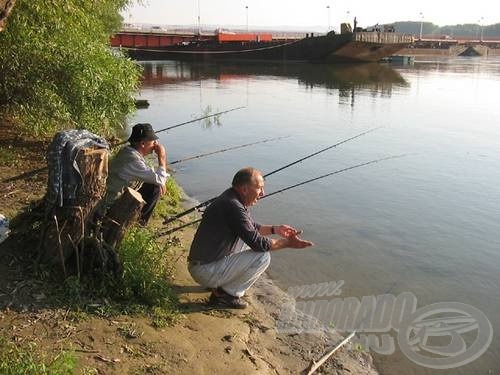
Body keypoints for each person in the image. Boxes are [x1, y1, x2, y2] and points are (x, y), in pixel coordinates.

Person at [188, 167, 314, 309]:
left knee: (249, 240)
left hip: (203, 266)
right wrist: (287, 243)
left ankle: (220, 285)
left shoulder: (231, 198)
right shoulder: (233, 206)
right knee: (262, 256)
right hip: (205, 271)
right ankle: (226, 296)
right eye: (259, 188)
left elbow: (251, 227)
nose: (263, 193)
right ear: (244, 189)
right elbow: (259, 244)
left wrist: (275, 229)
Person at [104, 123, 169, 225]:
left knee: (154, 184)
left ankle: (136, 221)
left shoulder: (128, 152)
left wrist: (160, 181)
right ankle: (139, 225)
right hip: (109, 206)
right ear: (143, 143)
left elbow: (154, 177)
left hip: (114, 195)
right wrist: (162, 156)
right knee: (155, 187)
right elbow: (160, 179)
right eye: (153, 141)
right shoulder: (133, 160)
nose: (156, 144)